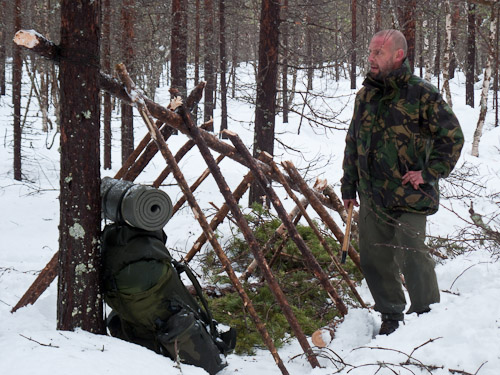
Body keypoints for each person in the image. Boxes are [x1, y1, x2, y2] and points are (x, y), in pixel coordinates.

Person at [340, 29, 464, 335]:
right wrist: (349, 185)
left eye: (378, 53)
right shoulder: (366, 95)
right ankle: (391, 315)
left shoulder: (421, 93)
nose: (371, 58)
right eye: (370, 52)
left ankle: (427, 315)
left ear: (398, 55)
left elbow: (452, 137)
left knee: (412, 251)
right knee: (373, 256)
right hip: (372, 194)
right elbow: (353, 141)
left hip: (411, 194)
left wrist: (429, 172)